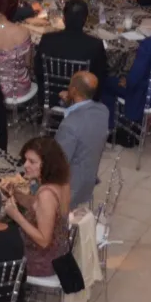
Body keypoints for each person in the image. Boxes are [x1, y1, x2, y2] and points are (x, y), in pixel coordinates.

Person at [2, 137, 72, 279]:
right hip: (59, 254)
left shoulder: (46, 194)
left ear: (47, 165)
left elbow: (44, 241)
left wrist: (16, 215)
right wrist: (15, 193)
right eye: (26, 160)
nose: (25, 165)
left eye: (32, 162)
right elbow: (37, 207)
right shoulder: (61, 184)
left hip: (41, 262)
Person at [52, 72, 109, 208]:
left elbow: (57, 164)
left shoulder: (69, 126)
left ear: (73, 90)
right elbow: (83, 121)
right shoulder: (103, 111)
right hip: (88, 179)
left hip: (71, 190)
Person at [36, 0, 109, 88]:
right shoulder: (95, 45)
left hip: (51, 92)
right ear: (85, 20)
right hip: (81, 95)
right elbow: (100, 77)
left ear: (63, 19)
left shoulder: (47, 39)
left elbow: (38, 71)